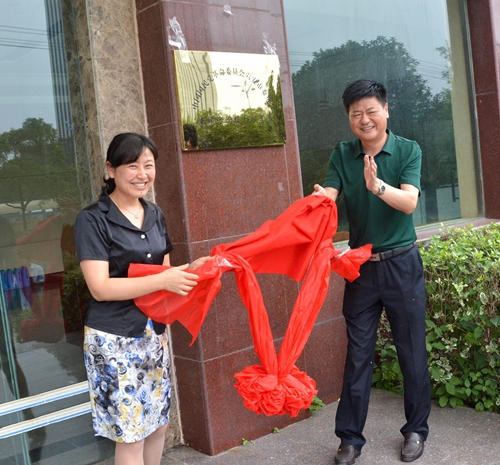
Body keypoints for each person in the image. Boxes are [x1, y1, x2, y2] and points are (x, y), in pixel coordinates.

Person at [74, 132, 211, 465]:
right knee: (131, 434)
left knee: (158, 424)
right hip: (113, 339)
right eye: (132, 165)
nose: (142, 174)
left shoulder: (154, 213)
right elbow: (100, 287)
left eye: (148, 165)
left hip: (152, 333)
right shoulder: (92, 219)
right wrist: (164, 278)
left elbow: (163, 276)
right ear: (111, 170)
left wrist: (191, 269)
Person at [313, 80, 431, 464]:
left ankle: (416, 429)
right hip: (361, 268)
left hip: (402, 265)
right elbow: (328, 197)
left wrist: (376, 185)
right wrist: (318, 201)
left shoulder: (408, 150)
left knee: (411, 351)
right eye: (356, 113)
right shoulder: (342, 153)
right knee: (358, 355)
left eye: (370, 111)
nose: (364, 119)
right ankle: (349, 439)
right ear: (349, 118)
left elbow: (409, 202)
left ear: (386, 110)